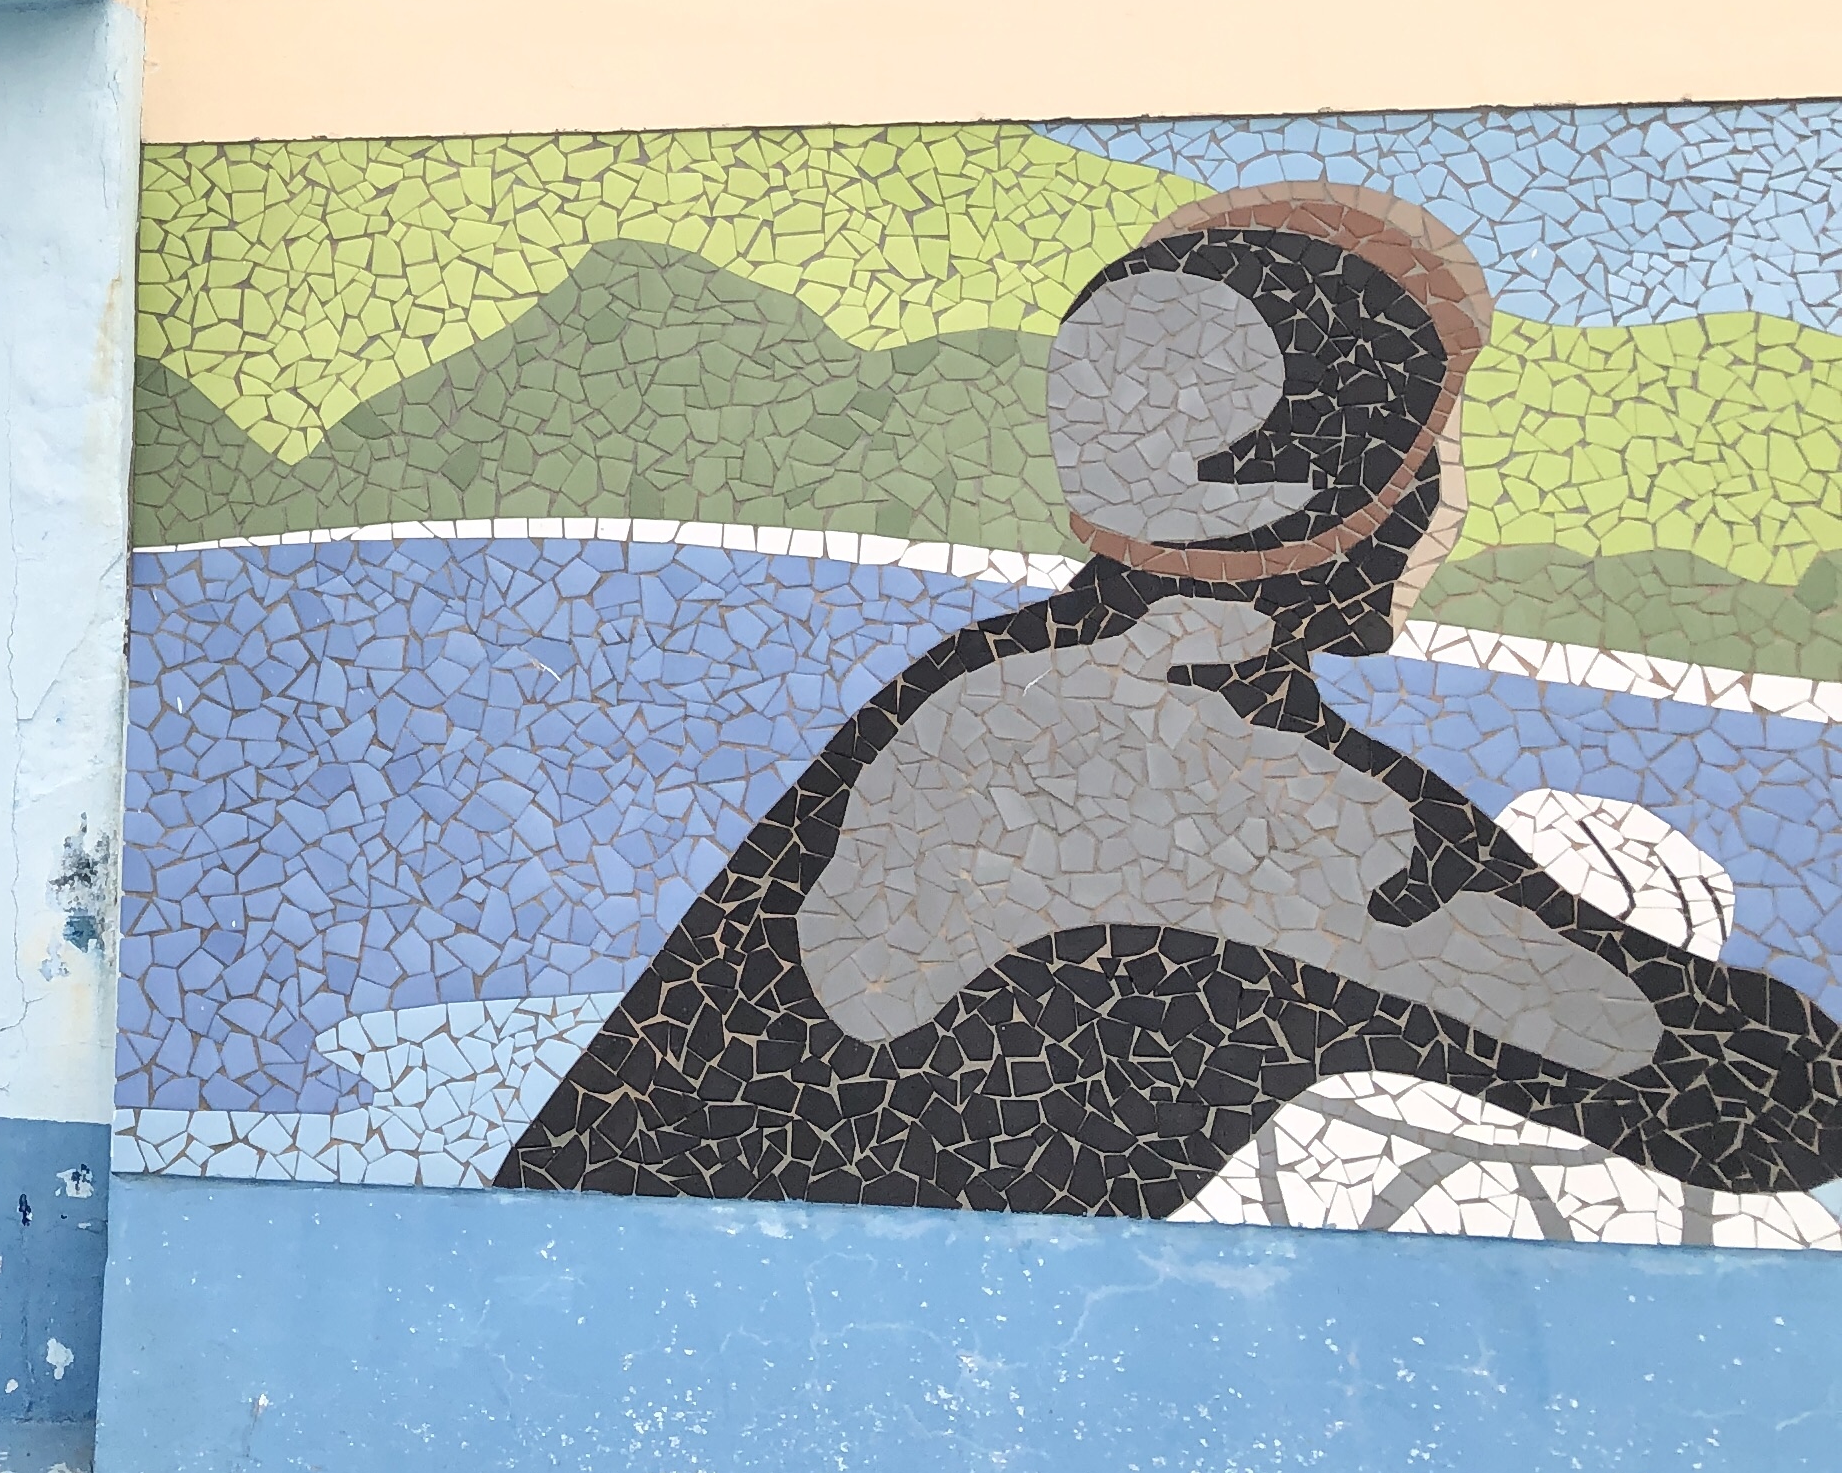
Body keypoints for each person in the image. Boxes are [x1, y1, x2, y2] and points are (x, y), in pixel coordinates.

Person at [498, 184, 1842, 1215]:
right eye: (1443, 453)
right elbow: (1758, 1104)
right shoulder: (1257, 791)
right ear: (1374, 496)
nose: (1455, 502)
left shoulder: (984, 677)